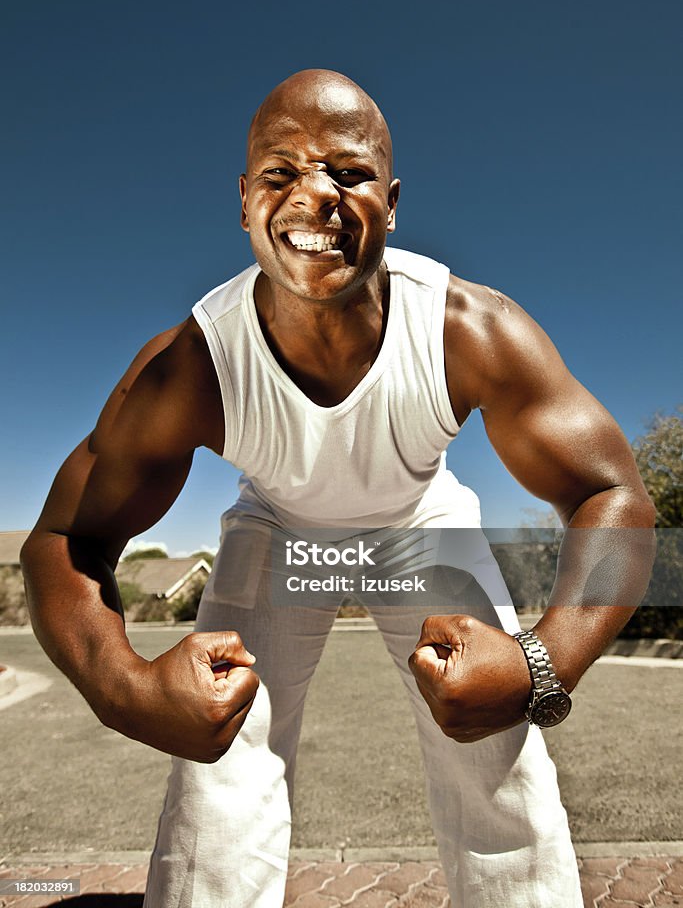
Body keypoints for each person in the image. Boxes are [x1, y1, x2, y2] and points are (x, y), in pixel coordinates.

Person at [21, 69, 655, 908]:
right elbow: (66, 540)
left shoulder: (468, 330)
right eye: (280, 173)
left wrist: (542, 662)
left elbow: (613, 497)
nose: (313, 196)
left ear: (390, 202)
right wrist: (121, 689)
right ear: (245, 199)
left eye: (348, 173)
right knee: (222, 761)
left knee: (499, 753)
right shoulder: (193, 366)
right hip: (278, 530)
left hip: (417, 523)